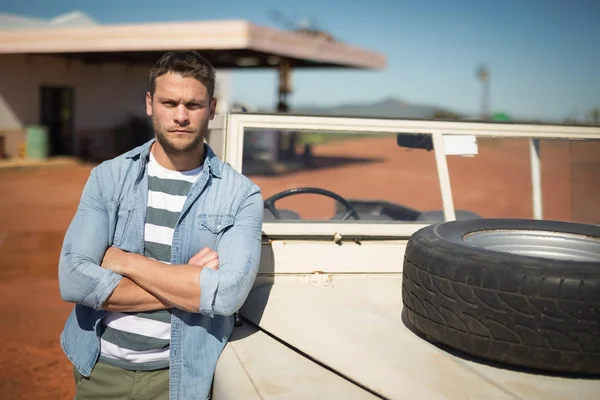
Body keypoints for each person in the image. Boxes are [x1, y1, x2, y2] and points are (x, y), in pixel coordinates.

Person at [58, 51, 263, 399]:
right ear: (150, 104)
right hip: (99, 370)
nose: (181, 116)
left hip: (179, 379)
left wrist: (125, 261)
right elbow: (74, 280)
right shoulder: (109, 177)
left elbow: (227, 295)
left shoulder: (240, 195)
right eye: (170, 102)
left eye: (193, 105)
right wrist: (188, 282)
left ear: (211, 109)